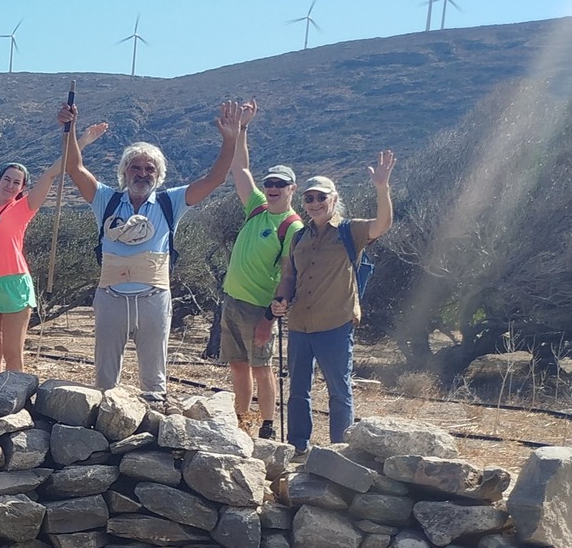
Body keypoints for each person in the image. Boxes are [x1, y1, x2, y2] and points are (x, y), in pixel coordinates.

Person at [62, 99, 243, 402]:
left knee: (154, 381)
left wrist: (230, 140)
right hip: (110, 297)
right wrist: (70, 128)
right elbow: (75, 168)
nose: (142, 173)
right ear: (125, 171)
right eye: (136, 167)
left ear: (158, 175)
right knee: (105, 378)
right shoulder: (106, 200)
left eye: (150, 168)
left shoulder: (171, 203)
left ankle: (155, 422)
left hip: (154, 299)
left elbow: (215, 179)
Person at [271, 154, 395, 451]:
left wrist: (382, 188)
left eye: (321, 197)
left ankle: (339, 452)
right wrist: (280, 299)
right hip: (300, 324)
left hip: (336, 323)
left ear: (334, 199)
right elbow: (289, 276)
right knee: (297, 390)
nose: (314, 203)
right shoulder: (298, 236)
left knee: (339, 391)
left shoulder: (350, 230)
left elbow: (382, 224)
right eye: (309, 198)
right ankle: (297, 447)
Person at [0, 120, 106, 376]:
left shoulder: (23, 208)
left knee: (12, 352)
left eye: (16, 182)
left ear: (22, 188)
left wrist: (82, 142)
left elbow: (52, 172)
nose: (10, 185)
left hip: (14, 283)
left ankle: (16, 395)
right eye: (7, 179)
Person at [217, 109, 298, 436]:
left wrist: (269, 317)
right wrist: (242, 130)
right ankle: (241, 421)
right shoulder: (257, 207)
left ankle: (267, 424)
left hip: (258, 307)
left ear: (292, 188)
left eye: (281, 184)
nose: (273, 187)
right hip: (232, 300)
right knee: (238, 366)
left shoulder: (292, 226)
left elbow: (288, 275)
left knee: (262, 367)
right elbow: (241, 168)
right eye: (270, 183)